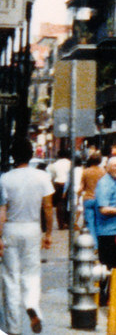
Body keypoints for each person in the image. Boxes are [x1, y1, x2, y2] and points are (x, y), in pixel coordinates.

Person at [0, 137, 54, 335]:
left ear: (13, 156)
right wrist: (48, 233)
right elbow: (48, 207)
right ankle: (32, 306)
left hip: (10, 229)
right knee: (31, 273)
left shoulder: (5, 179)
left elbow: (1, 211)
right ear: (31, 154)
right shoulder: (42, 177)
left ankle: (13, 328)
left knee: (10, 278)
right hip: (32, 228)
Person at [96, 155, 116, 297]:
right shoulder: (105, 184)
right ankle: (103, 295)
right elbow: (103, 208)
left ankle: (113, 294)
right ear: (107, 167)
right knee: (107, 264)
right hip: (107, 231)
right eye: (115, 166)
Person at [79, 152, 105, 241]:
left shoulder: (86, 172)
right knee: (99, 222)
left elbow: (81, 187)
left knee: (89, 223)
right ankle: (100, 242)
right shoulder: (103, 172)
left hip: (88, 198)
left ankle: (93, 244)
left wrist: (78, 196)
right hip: (100, 199)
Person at [47, 147, 71, 230]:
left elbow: (52, 176)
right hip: (68, 184)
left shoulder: (55, 164)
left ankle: (60, 223)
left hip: (58, 183)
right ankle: (68, 222)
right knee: (68, 203)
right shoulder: (70, 163)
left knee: (59, 204)